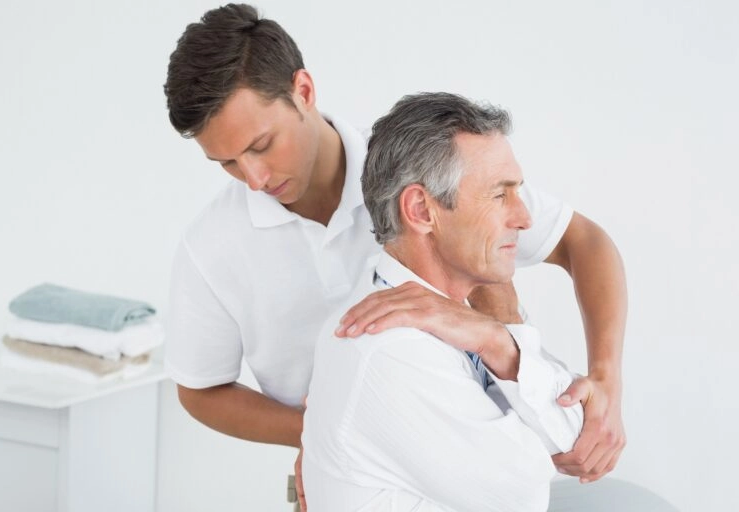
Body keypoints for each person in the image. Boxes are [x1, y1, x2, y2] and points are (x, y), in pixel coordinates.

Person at [163, 3, 627, 509]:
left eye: (262, 145)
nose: (254, 178)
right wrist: (329, 432)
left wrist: (604, 378)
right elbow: (200, 389)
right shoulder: (212, 246)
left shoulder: (418, 167)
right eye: (226, 162)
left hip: (476, 433)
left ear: (304, 91)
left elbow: (583, 241)